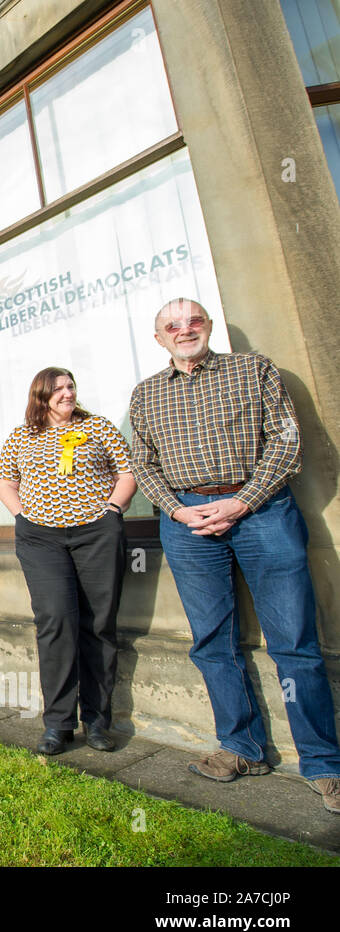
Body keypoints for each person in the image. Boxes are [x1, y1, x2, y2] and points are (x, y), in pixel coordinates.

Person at [129, 297, 340, 814]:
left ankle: (323, 762)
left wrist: (242, 501)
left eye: (194, 321)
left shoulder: (254, 369)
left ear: (209, 326)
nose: (185, 330)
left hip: (262, 509)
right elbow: (143, 462)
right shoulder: (146, 393)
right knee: (212, 642)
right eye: (172, 326)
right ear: (159, 338)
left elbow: (287, 443)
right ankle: (242, 748)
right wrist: (179, 513)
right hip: (186, 523)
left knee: (294, 641)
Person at [0, 368, 135, 755]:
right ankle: (58, 723)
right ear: (40, 395)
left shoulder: (99, 427)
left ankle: (97, 721)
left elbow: (127, 471)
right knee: (56, 621)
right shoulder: (21, 435)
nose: (67, 393)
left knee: (99, 623)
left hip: (96, 533)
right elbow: (5, 481)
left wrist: (112, 510)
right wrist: (21, 515)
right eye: (58, 389)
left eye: (71, 386)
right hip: (41, 538)